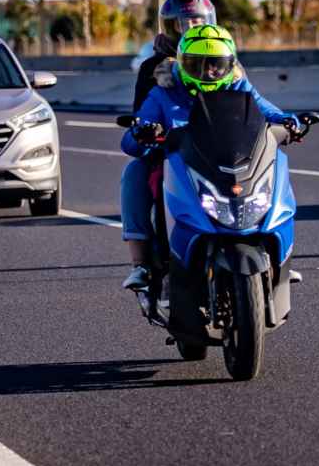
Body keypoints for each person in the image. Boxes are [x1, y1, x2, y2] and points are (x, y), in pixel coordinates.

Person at [118, 24, 296, 291]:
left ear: (230, 64)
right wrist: (143, 131)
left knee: (276, 165)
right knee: (135, 172)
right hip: (180, 164)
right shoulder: (163, 91)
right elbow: (131, 139)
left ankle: (278, 260)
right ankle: (141, 264)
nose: (208, 72)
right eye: (197, 65)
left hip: (229, 163)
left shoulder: (239, 85)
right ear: (182, 63)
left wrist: (291, 122)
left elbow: (271, 113)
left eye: (216, 65)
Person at [119, 0, 218, 288]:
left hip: (220, 151)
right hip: (172, 152)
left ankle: (273, 257)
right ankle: (142, 264)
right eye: (182, 25)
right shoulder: (153, 68)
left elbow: (248, 105)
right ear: (169, 27)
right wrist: (149, 131)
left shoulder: (226, 59)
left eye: (197, 23)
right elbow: (141, 116)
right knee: (134, 174)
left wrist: (278, 124)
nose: (190, 30)